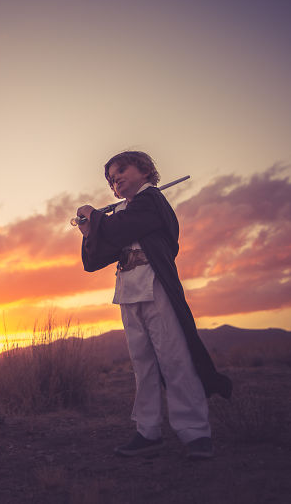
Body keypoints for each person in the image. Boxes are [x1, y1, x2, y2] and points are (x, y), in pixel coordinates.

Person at [76, 151, 231, 460]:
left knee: (175, 360)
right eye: (110, 178)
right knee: (143, 364)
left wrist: (95, 217)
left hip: (156, 287)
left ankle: (195, 432)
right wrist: (88, 230)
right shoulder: (122, 213)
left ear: (144, 171)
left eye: (121, 170)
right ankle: (148, 431)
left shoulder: (151, 201)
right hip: (128, 291)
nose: (115, 178)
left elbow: (118, 230)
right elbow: (93, 261)